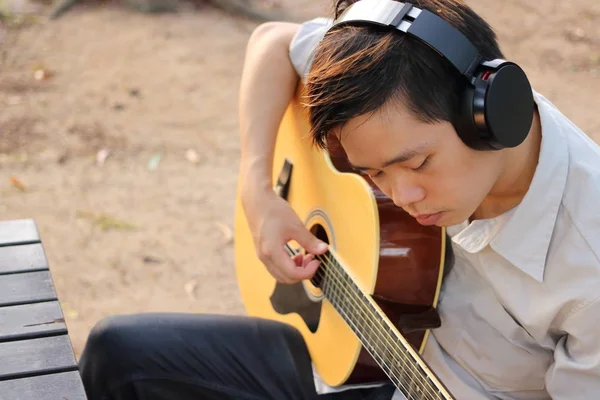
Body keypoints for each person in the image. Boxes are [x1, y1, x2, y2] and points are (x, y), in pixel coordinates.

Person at [78, 0, 600, 399]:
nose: (404, 196)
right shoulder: (395, 76)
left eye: (418, 164)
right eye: (373, 172)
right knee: (116, 354)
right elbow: (275, 42)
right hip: (352, 360)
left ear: (491, 114)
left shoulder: (589, 269)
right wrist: (258, 192)